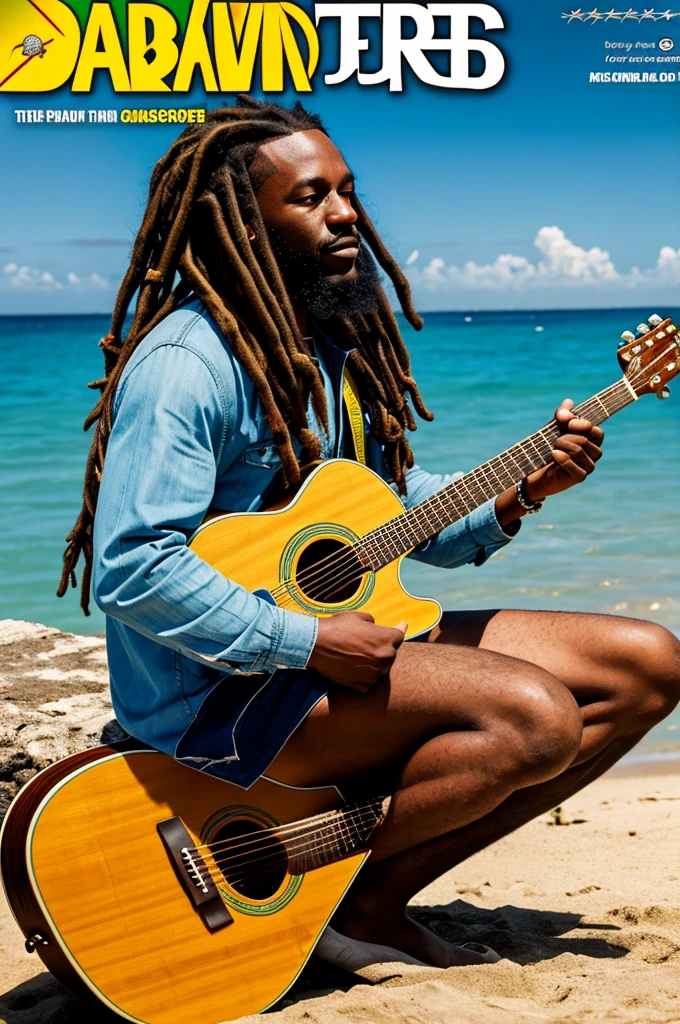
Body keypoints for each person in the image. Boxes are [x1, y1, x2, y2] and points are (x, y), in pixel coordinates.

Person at [60, 97, 680, 970]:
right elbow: (131, 566)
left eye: (347, 190)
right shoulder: (187, 366)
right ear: (246, 221)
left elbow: (388, 508)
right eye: (311, 197)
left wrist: (520, 494)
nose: (347, 212)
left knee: (647, 662)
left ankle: (370, 903)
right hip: (219, 695)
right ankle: (313, 873)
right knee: (534, 719)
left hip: (320, 654)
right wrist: (305, 637)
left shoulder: (328, 348)